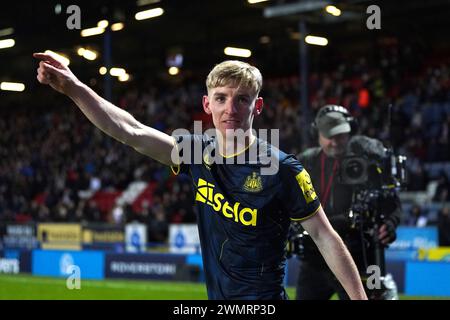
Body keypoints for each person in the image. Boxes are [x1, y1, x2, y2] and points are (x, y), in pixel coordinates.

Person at [34, 53, 367, 300]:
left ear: (258, 106)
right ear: (207, 104)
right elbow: (130, 130)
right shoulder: (197, 152)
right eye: (221, 99)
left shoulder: (282, 169)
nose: (230, 109)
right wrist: (75, 89)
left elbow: (324, 236)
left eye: (242, 100)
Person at [295, 105, 402, 300]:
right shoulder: (306, 162)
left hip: (362, 254)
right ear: (316, 134)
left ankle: (384, 285)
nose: (335, 142)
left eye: (341, 135)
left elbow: (390, 201)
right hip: (316, 258)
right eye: (330, 136)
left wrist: (390, 224)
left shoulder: (369, 160)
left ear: (350, 131)